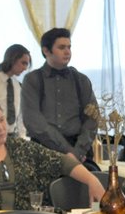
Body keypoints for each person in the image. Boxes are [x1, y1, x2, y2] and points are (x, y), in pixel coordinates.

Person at [21, 28, 99, 168]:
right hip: (43, 149)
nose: (67, 51)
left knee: (96, 182)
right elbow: (33, 121)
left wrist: (78, 152)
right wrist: (68, 152)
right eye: (61, 47)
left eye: (69, 47)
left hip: (80, 151)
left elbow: (92, 118)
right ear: (46, 51)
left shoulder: (81, 80)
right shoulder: (32, 79)